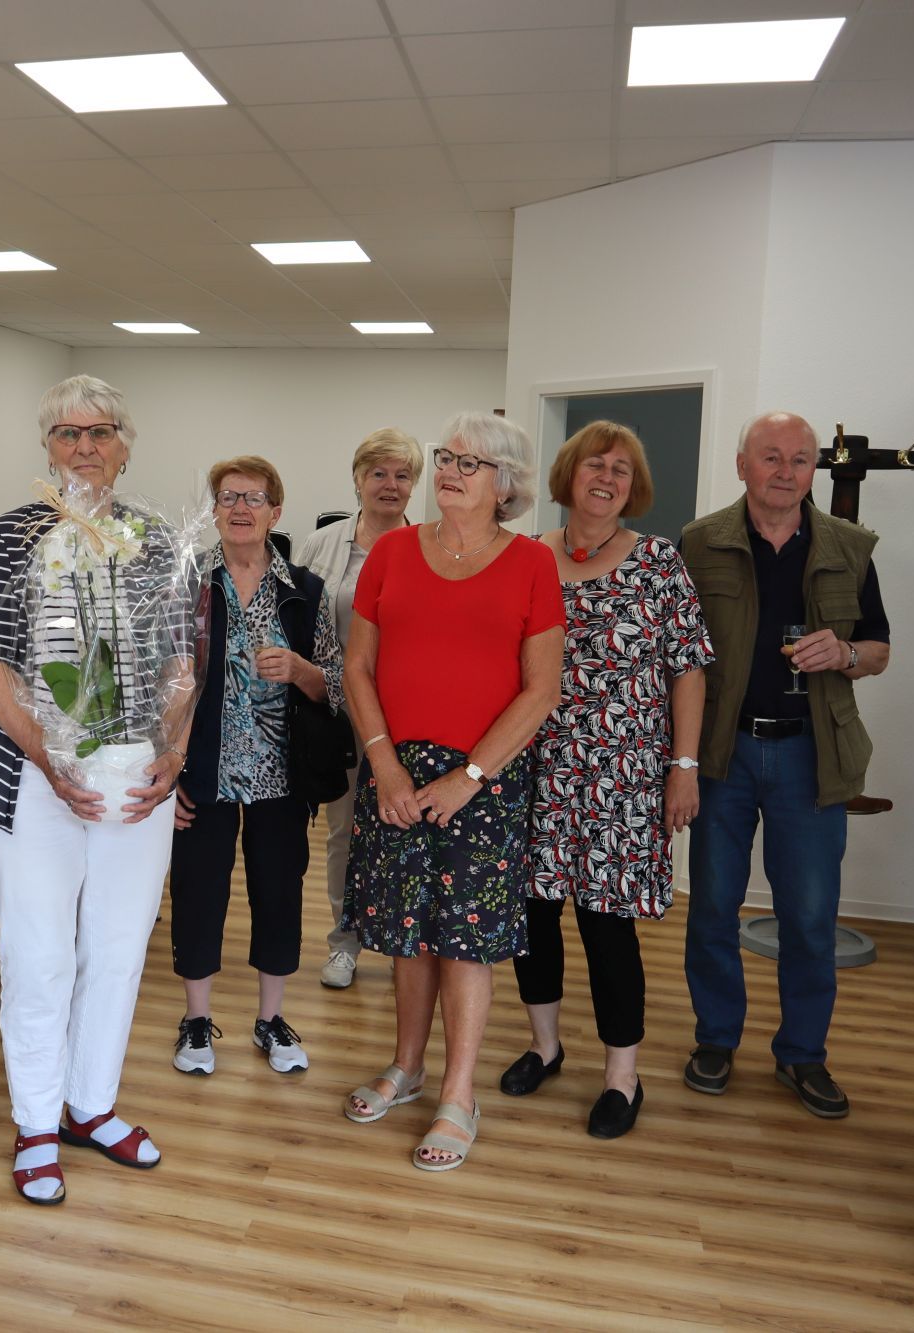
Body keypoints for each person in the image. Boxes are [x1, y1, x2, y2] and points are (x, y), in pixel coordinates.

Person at [0, 374, 195, 1204]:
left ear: (126, 445)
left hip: (135, 774)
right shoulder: (10, 535)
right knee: (39, 952)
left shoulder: (160, 539)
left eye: (100, 433)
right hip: (28, 776)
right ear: (46, 447)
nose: (84, 448)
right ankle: (35, 1121)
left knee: (120, 946)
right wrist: (51, 760)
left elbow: (179, 661)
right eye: (67, 434)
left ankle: (91, 1104)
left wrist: (175, 747)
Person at [340, 411, 565, 1171]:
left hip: (485, 779)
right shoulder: (394, 551)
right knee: (408, 932)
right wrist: (385, 765)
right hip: (396, 769)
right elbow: (357, 669)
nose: (451, 471)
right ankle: (407, 1067)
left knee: (465, 943)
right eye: (447, 458)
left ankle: (458, 1094)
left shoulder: (533, 563)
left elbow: (541, 691)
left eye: (471, 463)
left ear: (505, 484)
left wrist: (469, 778)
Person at [502, 422, 713, 1139]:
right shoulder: (527, 557)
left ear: (634, 487)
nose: (609, 476)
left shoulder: (659, 564)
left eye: (623, 469)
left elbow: (688, 667)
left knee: (607, 928)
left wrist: (682, 766)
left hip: (622, 780)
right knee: (533, 919)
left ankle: (622, 1076)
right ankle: (545, 1044)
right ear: (569, 473)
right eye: (597, 463)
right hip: (533, 769)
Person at [680, 410, 891, 1120]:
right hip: (724, 751)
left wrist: (848, 654)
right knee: (712, 904)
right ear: (742, 464)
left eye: (800, 459)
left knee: (808, 915)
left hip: (811, 754)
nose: (785, 470)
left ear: (813, 471)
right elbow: (679, 657)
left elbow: (881, 649)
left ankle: (802, 1054)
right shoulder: (699, 542)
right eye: (770, 456)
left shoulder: (849, 547)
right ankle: (715, 1038)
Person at [170, 456, 343, 1078]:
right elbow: (159, 687)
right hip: (201, 775)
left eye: (254, 498)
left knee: (279, 893)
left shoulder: (304, 592)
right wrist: (169, 774)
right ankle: (196, 1020)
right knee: (197, 893)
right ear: (214, 510)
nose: (240, 508)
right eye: (227, 497)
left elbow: (337, 688)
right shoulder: (187, 584)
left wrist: (300, 671)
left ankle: (271, 1019)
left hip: (281, 776)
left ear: (276, 511)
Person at [292, 428, 421, 991]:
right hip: (338, 714)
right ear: (358, 479)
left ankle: (400, 943)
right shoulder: (322, 546)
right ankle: (344, 941)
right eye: (379, 473)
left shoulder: (432, 546)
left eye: (402, 475)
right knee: (345, 833)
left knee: (406, 833)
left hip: (411, 714)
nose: (389, 486)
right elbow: (298, 623)